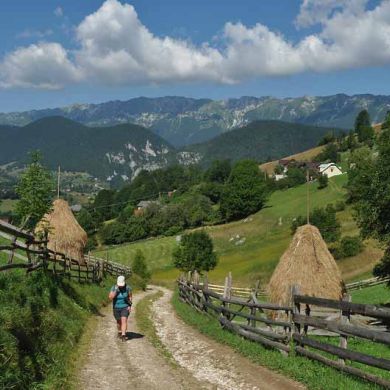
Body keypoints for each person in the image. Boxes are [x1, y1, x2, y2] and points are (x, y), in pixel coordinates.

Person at [108, 275, 132, 341]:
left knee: (124, 320)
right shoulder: (114, 288)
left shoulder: (128, 288)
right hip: (116, 307)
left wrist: (129, 306)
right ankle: (119, 331)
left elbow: (130, 297)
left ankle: (123, 335)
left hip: (125, 306)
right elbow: (110, 297)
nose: (121, 286)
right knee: (119, 322)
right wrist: (116, 291)